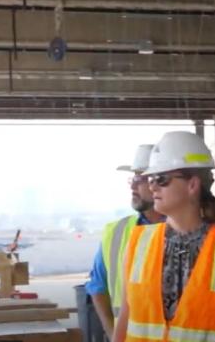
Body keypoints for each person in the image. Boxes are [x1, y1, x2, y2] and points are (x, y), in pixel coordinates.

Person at [113, 131, 215, 342]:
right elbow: (125, 318)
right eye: (151, 179)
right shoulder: (137, 242)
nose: (152, 186)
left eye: (161, 179)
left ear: (192, 185)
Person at [85, 144, 164, 338]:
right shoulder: (116, 232)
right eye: (133, 178)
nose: (132, 185)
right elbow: (97, 287)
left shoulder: (188, 231)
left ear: (160, 181)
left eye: (140, 178)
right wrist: (113, 334)